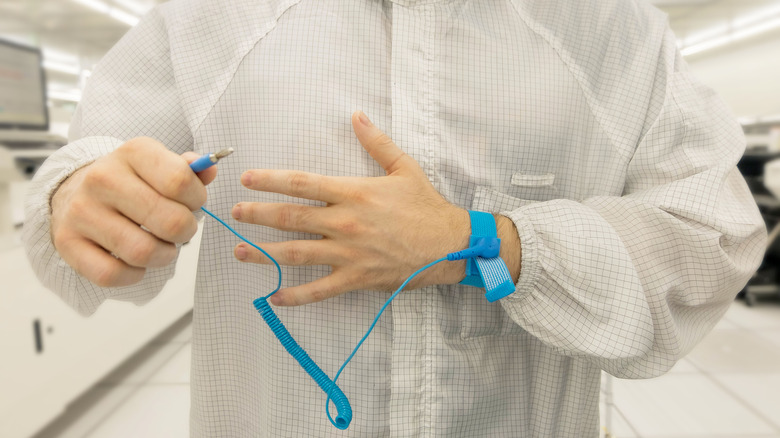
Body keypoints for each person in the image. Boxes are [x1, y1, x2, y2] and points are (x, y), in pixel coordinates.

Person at [23, 0, 766, 436]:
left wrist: (482, 242)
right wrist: (82, 199)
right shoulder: (211, 16)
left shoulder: (610, 27)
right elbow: (83, 170)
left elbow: (712, 236)